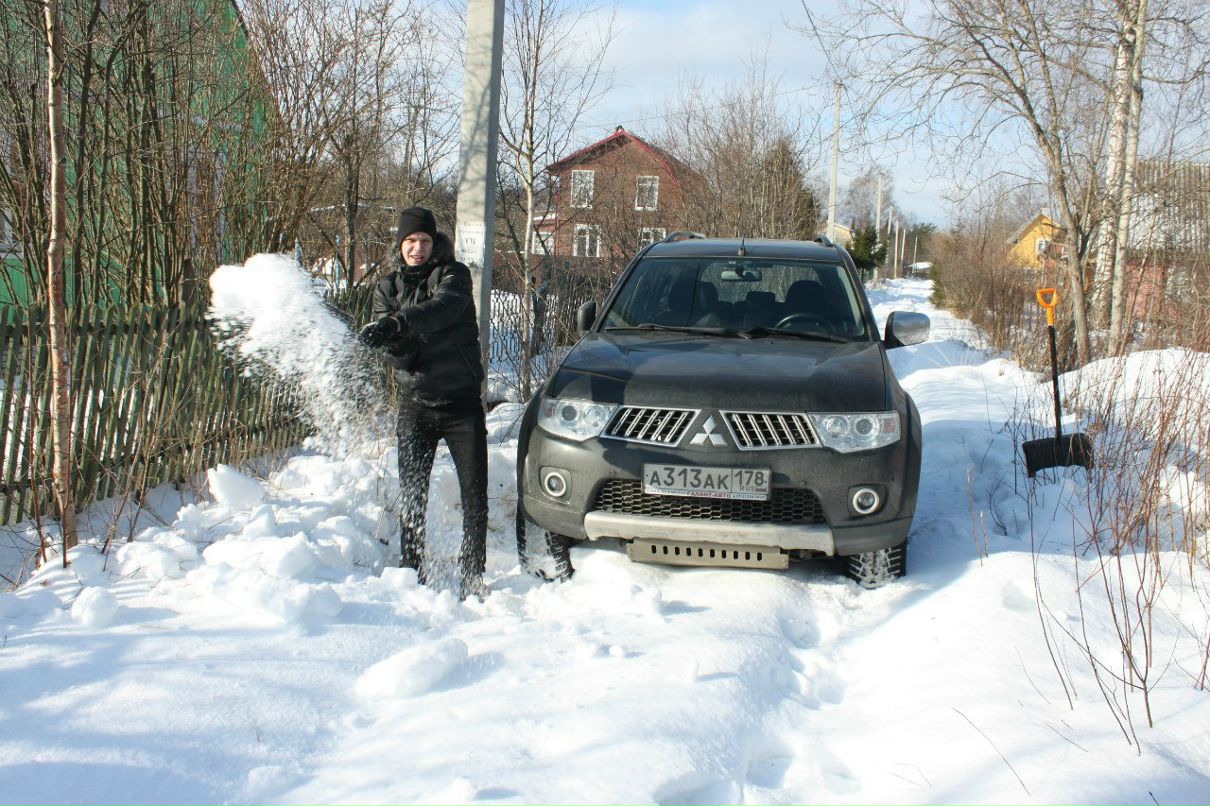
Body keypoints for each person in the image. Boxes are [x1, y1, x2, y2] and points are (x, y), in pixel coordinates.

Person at [360, 207, 488, 600]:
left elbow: (444, 309)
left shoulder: (454, 275)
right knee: (412, 494)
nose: (417, 248)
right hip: (416, 405)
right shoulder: (387, 288)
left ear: (435, 244)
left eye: (424, 241)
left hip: (461, 405)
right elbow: (398, 357)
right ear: (400, 245)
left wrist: (398, 325)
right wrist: (393, 341)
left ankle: (472, 575)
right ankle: (412, 571)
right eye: (410, 241)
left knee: (474, 496)